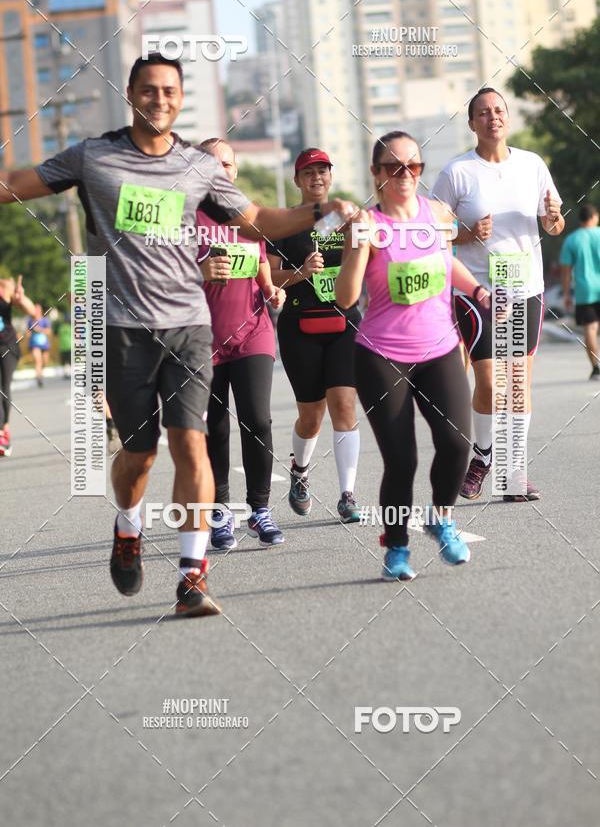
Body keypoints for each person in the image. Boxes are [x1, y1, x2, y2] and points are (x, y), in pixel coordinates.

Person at [0, 52, 356, 617]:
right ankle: (128, 524)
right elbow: (16, 182)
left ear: (181, 98)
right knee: (139, 456)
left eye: (169, 91)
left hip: (191, 327)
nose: (158, 100)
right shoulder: (94, 157)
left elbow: (258, 218)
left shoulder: (197, 168)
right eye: (148, 90)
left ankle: (192, 577)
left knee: (192, 444)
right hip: (123, 330)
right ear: (131, 93)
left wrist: (318, 210)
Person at [336, 131, 490, 580]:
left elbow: (446, 262)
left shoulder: (438, 214)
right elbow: (347, 298)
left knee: (457, 444)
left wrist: (477, 289)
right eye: (393, 167)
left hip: (440, 348)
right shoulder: (370, 223)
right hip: (382, 355)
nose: (405, 175)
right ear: (376, 174)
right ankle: (396, 548)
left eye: (414, 167)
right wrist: (357, 244)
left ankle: (441, 518)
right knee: (401, 460)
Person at [432, 87, 564, 503]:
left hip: (526, 286)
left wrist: (554, 219)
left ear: (508, 118)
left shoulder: (532, 165)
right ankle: (484, 454)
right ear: (472, 123)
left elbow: (553, 225)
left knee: (519, 381)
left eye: (499, 110)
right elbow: (429, 231)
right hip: (479, 290)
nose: (494, 117)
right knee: (490, 381)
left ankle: (511, 472)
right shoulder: (456, 173)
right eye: (484, 113)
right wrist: (467, 234)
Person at [196, 137, 286, 551]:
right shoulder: (185, 217)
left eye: (229, 164)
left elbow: (263, 270)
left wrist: (273, 292)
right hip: (202, 339)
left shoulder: (248, 218)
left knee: (259, 420)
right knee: (214, 428)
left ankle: (260, 510)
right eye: (214, 163)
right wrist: (200, 271)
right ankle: (219, 514)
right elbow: (165, 280)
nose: (223, 170)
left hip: (253, 332)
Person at [267, 149, 364, 524]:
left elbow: (370, 260)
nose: (317, 178)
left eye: (323, 171)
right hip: (299, 326)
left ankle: (347, 494)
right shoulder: (285, 224)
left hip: (344, 323)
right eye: (308, 173)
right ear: (297, 180)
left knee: (344, 405)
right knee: (311, 416)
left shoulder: (347, 220)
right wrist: (301, 272)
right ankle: (300, 471)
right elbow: (269, 277)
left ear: (331, 176)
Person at [559, 203, 600, 380]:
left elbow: (566, 270)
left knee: (590, 329)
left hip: (585, 291)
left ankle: (597, 367)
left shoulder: (572, 240)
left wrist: (567, 293)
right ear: (593, 217)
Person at [0, 275, 36, 456]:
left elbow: (32, 312)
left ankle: (3, 429)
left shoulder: (5, 286)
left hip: (7, 346)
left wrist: (22, 299)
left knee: (3, 387)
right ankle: (2, 431)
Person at [27, 303, 51, 387]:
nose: (36, 311)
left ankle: (41, 373)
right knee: (38, 360)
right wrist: (29, 332)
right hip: (34, 344)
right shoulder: (30, 320)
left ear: (40, 310)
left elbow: (49, 331)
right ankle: (39, 378)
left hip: (44, 344)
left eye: (38, 309)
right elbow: (28, 332)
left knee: (45, 362)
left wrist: (39, 329)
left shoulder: (44, 320)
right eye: (35, 309)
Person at [54, 310, 72, 379]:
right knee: (69, 362)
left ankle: (66, 373)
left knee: (64, 362)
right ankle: (68, 373)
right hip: (69, 346)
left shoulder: (60, 328)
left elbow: (57, 335)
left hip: (62, 347)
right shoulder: (71, 328)